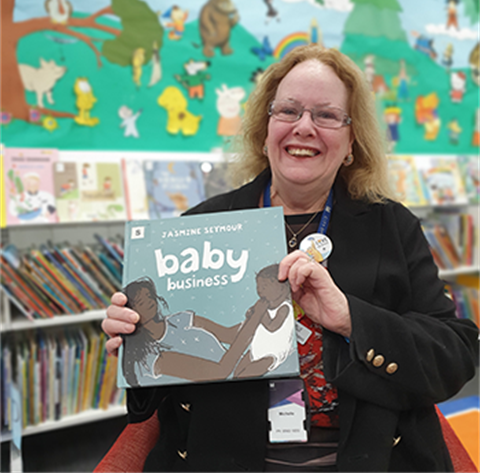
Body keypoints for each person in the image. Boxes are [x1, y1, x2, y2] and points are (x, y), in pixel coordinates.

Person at [102, 45, 478, 472]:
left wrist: (352, 318)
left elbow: (456, 355)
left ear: (352, 141)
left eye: (327, 115)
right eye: (288, 111)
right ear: (265, 130)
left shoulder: (392, 226)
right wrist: (135, 338)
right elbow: (159, 391)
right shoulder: (201, 226)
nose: (304, 127)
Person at [121, 266, 293, 387]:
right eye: (140, 302)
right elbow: (220, 373)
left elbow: (229, 335)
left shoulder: (179, 320)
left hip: (245, 377)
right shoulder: (152, 358)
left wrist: (254, 316)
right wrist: (256, 317)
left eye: (149, 296)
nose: (149, 302)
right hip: (216, 398)